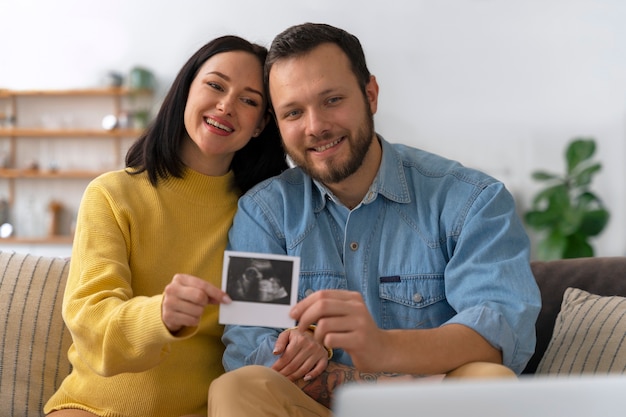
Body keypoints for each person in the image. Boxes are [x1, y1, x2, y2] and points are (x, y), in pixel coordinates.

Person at [208, 23, 541, 416]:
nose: (315, 126)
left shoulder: (471, 200)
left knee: (490, 382)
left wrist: (384, 349)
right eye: (294, 112)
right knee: (237, 388)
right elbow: (250, 347)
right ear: (277, 124)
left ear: (370, 95)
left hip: (434, 409)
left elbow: (500, 332)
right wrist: (385, 387)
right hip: (318, 409)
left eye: (332, 100)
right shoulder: (264, 213)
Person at [44, 35, 287, 417]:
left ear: (260, 125)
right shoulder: (112, 194)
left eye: (249, 100)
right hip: (91, 407)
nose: (226, 106)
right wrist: (159, 316)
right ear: (186, 90)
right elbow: (91, 322)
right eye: (215, 85)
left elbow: (260, 332)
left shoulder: (262, 216)